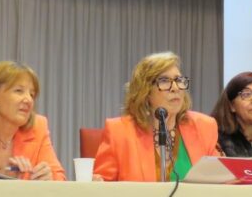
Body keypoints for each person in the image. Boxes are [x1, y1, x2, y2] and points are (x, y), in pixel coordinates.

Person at [93, 52, 219, 181]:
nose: (175, 88)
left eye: (179, 80)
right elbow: (102, 188)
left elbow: (219, 182)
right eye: (164, 81)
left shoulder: (204, 127)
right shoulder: (119, 132)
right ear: (145, 91)